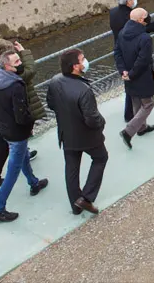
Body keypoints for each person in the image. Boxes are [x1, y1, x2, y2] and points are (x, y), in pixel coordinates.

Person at [0, 50, 48, 223]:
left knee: (22, 158)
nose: (20, 63)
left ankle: (34, 183)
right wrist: (30, 125)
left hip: (4, 129)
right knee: (13, 171)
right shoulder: (16, 86)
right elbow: (22, 116)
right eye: (16, 62)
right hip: (17, 133)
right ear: (7, 65)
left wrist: (4, 117)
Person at [0, 39, 44, 191]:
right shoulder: (5, 73)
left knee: (14, 140)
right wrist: (24, 53)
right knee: (3, 146)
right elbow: (29, 72)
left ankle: (24, 157)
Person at [46, 49, 107, 216]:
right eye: (83, 59)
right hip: (87, 136)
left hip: (67, 134)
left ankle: (76, 206)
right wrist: (102, 122)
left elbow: (51, 104)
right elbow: (92, 119)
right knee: (101, 158)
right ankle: (86, 197)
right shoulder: (83, 90)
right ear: (75, 66)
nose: (85, 61)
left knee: (71, 168)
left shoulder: (55, 81)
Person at [109, 0, 154, 122]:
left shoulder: (113, 13)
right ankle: (134, 119)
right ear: (128, 1)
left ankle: (131, 116)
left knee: (129, 86)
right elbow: (153, 27)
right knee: (139, 87)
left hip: (122, 52)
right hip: (134, 53)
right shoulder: (131, 19)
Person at [114, 8, 154, 149]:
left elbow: (117, 53)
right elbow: (143, 60)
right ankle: (129, 131)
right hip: (142, 77)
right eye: (146, 16)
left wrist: (124, 72)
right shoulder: (145, 38)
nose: (148, 18)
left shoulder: (121, 33)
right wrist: (132, 73)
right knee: (148, 104)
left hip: (128, 77)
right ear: (140, 20)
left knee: (136, 102)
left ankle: (142, 128)